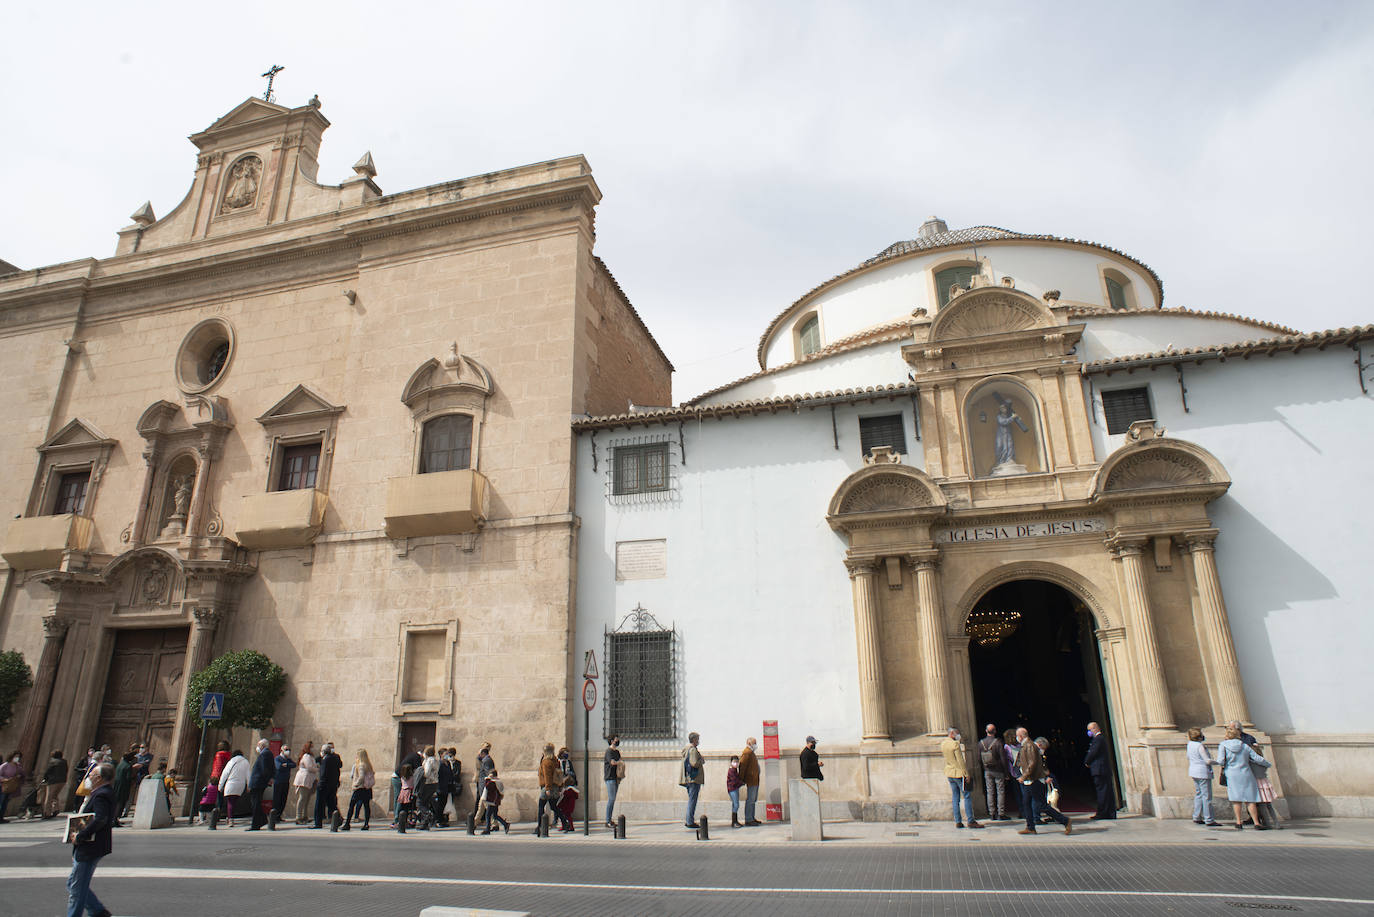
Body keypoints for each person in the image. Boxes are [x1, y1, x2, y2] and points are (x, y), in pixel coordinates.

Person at [66, 760, 116, 917]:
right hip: (91, 845)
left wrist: (81, 835)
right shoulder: (101, 793)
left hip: (90, 846)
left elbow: (100, 819)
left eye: (92, 774)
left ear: (99, 778)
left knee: (76, 888)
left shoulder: (101, 795)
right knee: (74, 884)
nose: (89, 777)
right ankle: (97, 911)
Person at [1016, 730, 1071, 835]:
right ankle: (1030, 826)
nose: (1016, 738)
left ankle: (1065, 820)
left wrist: (1024, 776)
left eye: (1017, 736)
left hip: (1034, 780)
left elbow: (1032, 763)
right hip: (1029, 780)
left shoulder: (1030, 746)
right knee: (1026, 803)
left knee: (1041, 805)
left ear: (1021, 736)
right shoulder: (1025, 745)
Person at [1218, 723, 1270, 830]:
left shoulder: (1223, 745)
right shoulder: (1244, 745)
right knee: (1250, 800)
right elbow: (1257, 758)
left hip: (1232, 774)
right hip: (1246, 773)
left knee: (1236, 800)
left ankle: (1238, 822)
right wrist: (1267, 764)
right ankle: (1256, 822)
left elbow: (1220, 761)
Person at [941, 727, 983, 829]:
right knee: (967, 795)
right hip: (958, 773)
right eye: (957, 733)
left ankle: (958, 821)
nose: (958, 735)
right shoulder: (955, 744)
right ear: (952, 734)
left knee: (955, 797)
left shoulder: (943, 743)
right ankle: (970, 820)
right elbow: (960, 761)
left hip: (949, 772)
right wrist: (966, 774)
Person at [1186, 727, 1222, 826]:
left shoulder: (1190, 745)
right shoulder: (1200, 746)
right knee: (1207, 796)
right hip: (1202, 772)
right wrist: (1218, 762)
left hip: (1193, 771)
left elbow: (1188, 757)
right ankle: (1209, 819)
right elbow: (1207, 760)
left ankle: (1196, 816)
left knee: (1199, 794)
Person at [1083, 722, 1116, 820]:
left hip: (1100, 770)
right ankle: (1109, 813)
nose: (1089, 732)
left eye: (1090, 729)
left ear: (1095, 728)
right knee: (1106, 791)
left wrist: (1087, 761)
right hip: (1102, 770)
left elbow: (1093, 752)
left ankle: (1103, 813)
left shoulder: (1098, 739)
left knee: (1102, 792)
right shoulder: (1100, 739)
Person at [978, 724, 1007, 820]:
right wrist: (1006, 772)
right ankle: (1001, 813)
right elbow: (1003, 758)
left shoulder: (981, 743)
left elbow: (979, 758)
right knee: (1000, 791)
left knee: (989, 791)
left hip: (987, 770)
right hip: (998, 769)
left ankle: (992, 813)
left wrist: (984, 768)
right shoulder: (998, 742)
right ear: (995, 731)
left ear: (986, 731)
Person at [244, 739, 275, 830]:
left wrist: (267, 779)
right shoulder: (267, 754)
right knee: (256, 803)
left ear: (262, 745)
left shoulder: (265, 754)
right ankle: (261, 820)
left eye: (258, 745)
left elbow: (264, 769)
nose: (257, 747)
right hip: (260, 782)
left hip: (258, 782)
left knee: (255, 803)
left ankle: (256, 824)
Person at [343, 748, 375, 831]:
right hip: (367, 789)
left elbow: (361, 777)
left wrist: (355, 784)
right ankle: (366, 824)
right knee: (366, 806)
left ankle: (347, 823)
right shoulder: (368, 765)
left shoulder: (360, 765)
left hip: (360, 788)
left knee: (352, 806)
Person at [313, 742, 343, 829]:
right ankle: (338, 819)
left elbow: (323, 773)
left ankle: (318, 823)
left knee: (319, 804)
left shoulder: (326, 760)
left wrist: (320, 784)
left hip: (324, 785)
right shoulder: (335, 758)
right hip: (332, 785)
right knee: (331, 803)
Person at [680, 732, 705, 829]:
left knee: (691, 799)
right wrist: (701, 761)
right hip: (694, 779)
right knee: (692, 800)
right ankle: (690, 821)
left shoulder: (687, 749)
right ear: (694, 739)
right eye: (697, 739)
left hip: (689, 778)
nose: (698, 741)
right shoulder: (693, 750)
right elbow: (694, 763)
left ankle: (689, 820)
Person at [217, 749, 248, 827]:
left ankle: (230, 819)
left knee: (230, 802)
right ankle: (229, 816)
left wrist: (220, 785)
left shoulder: (231, 762)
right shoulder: (246, 762)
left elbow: (225, 774)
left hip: (231, 784)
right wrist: (248, 785)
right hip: (240, 785)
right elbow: (248, 774)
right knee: (233, 802)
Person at [536, 744, 560, 833]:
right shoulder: (555, 761)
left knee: (541, 806)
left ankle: (539, 827)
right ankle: (565, 822)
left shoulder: (546, 762)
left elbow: (547, 776)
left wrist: (547, 789)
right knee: (554, 806)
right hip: (554, 786)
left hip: (547, 787)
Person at [292, 741, 318, 824]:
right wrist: (317, 768)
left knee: (307, 799)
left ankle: (305, 816)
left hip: (309, 779)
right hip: (304, 779)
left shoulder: (310, 756)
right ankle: (298, 816)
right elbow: (309, 767)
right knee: (302, 798)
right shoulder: (306, 756)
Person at [270, 744, 295, 826]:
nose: (288, 751)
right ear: (281, 751)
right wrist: (286, 765)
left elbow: (294, 765)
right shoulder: (278, 758)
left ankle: (279, 815)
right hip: (278, 781)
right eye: (286, 749)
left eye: (288, 749)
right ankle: (274, 817)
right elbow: (279, 767)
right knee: (277, 799)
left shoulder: (288, 759)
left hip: (285, 781)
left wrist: (286, 765)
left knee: (283, 799)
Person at [738, 737, 761, 826]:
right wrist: (742, 778)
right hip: (751, 779)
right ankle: (748, 819)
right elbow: (742, 766)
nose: (755, 745)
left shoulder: (751, 752)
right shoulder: (747, 752)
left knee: (753, 799)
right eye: (754, 743)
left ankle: (752, 817)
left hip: (755, 779)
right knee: (750, 799)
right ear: (749, 743)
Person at [40, 749, 69, 819]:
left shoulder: (53, 761)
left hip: (53, 781)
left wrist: (45, 778)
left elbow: (48, 771)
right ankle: (56, 809)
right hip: (62, 781)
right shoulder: (64, 762)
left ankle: (47, 813)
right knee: (55, 795)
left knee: (49, 797)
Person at [479, 768, 509, 834]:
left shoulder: (493, 782)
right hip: (496, 801)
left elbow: (487, 786)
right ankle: (505, 824)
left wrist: (488, 779)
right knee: (495, 815)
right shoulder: (499, 781)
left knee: (488, 815)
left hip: (492, 801)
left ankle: (487, 830)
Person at [556, 747, 577, 832]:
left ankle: (566, 824)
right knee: (558, 804)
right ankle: (558, 821)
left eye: (567, 753)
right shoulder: (558, 762)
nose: (566, 755)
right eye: (565, 753)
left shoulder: (569, 762)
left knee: (564, 807)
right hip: (560, 784)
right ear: (561, 753)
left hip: (567, 784)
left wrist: (570, 774)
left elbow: (573, 773)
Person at [0, 750, 25, 823]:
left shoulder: (18, 766)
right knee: (1, 802)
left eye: (18, 757)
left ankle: (1, 817)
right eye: (16, 756)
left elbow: (23, 774)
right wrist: (5, 779)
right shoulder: (5, 765)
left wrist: (19, 776)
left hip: (11, 787)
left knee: (5, 803)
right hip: (3, 786)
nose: (17, 758)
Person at [470, 742, 494, 820]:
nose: (488, 748)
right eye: (487, 747)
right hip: (481, 779)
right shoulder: (480, 757)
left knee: (482, 800)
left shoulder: (486, 758)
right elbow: (480, 767)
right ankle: (479, 818)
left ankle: (479, 819)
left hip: (483, 780)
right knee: (480, 799)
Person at [603, 734, 622, 829]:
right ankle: (607, 820)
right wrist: (618, 763)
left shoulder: (617, 752)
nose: (617, 740)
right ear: (611, 741)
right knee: (611, 799)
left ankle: (609, 819)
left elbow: (620, 762)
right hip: (609, 777)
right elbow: (612, 762)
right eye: (616, 739)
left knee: (613, 799)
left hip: (616, 777)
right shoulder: (609, 751)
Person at [111, 752, 134, 822]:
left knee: (116, 802)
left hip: (116, 785)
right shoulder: (128, 766)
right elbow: (128, 778)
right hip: (124, 786)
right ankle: (116, 818)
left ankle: (114, 818)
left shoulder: (119, 764)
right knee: (121, 803)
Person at [435, 747, 453, 823]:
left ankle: (442, 819)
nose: (447, 755)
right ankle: (438, 820)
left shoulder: (448, 763)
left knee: (444, 803)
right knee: (440, 804)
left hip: (446, 786)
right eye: (445, 754)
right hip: (440, 787)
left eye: (447, 754)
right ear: (441, 755)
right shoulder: (439, 764)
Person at [726, 755, 744, 828]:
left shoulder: (735, 770)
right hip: (732, 789)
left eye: (737, 762)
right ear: (731, 762)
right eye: (734, 762)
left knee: (735, 804)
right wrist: (741, 783)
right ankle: (734, 822)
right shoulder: (731, 771)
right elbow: (734, 781)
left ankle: (735, 821)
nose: (736, 763)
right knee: (736, 805)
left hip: (735, 788)